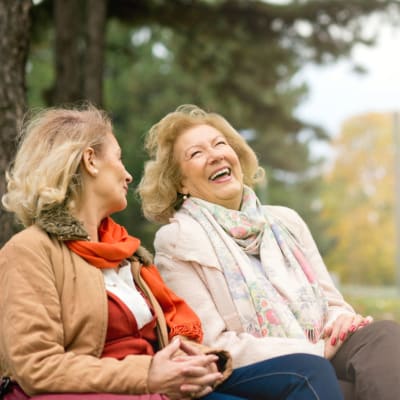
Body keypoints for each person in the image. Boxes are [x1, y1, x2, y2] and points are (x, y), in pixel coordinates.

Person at [0, 104, 343, 400]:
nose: (129, 175)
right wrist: (148, 372)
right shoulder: (30, 251)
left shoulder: (128, 256)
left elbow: (172, 334)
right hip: (120, 390)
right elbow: (35, 366)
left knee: (305, 373)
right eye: (118, 159)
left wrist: (200, 360)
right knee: (307, 372)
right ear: (90, 160)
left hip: (163, 389)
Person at [138, 104, 400, 400]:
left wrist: (342, 320)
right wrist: (312, 349)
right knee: (338, 387)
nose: (215, 155)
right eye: (196, 154)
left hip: (324, 345)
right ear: (180, 182)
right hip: (263, 368)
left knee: (385, 335)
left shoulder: (286, 220)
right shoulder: (177, 240)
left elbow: (331, 301)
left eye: (220, 144)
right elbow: (213, 342)